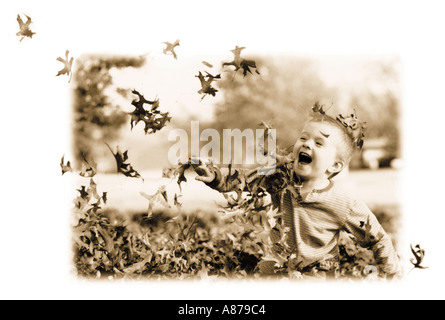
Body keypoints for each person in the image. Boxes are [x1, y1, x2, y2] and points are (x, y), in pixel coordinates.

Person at [194, 105, 400, 278]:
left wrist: (392, 273)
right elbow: (245, 180)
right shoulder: (279, 178)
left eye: (319, 143)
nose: (307, 144)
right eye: (303, 138)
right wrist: (215, 177)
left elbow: (376, 236)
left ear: (335, 166)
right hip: (276, 263)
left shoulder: (343, 202)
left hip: (317, 272)